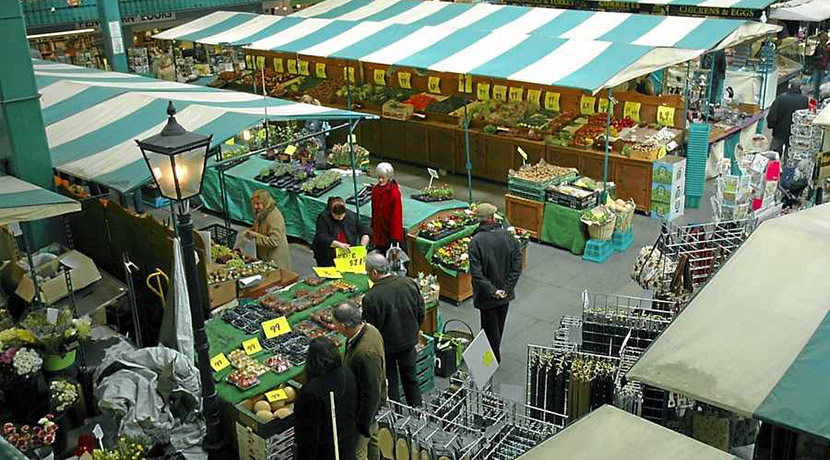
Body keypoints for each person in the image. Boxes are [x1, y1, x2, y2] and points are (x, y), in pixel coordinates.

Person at [362, 252, 424, 406]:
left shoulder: (371, 297)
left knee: (391, 382)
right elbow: (421, 311)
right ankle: (417, 409)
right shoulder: (409, 283)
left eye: (367, 272)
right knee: (411, 377)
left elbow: (371, 328)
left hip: (387, 347)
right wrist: (414, 330)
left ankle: (396, 417)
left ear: (374, 272)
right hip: (409, 341)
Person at [468, 203, 523, 363]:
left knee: (488, 328)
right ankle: (491, 356)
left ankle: (489, 361)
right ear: (493, 217)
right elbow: (517, 266)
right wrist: (506, 289)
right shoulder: (509, 236)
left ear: (480, 220)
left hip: (486, 297)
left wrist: (493, 291)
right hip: (505, 294)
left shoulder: (476, 241)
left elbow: (476, 273)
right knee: (499, 325)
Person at [333, 301, 387, 460]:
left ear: (344, 326)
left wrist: (362, 424)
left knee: (358, 452)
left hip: (362, 412)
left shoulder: (365, 353)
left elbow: (371, 391)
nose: (335, 328)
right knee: (373, 442)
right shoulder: (370, 330)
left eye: (335, 324)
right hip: (371, 409)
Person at [294, 337, 359, 460]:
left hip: (326, 451)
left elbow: (308, 435)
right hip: (348, 441)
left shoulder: (311, 391)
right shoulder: (347, 373)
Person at [313, 196, 371, 267]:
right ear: (331, 212)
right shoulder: (323, 218)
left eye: (342, 215)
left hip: (347, 253)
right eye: (337, 216)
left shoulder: (351, 216)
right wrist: (339, 244)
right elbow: (322, 237)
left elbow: (364, 230)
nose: (340, 218)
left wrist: (362, 246)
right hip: (328, 254)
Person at [245, 189, 291, 270]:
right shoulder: (262, 212)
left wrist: (255, 235)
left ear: (265, 202)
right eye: (254, 203)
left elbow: (274, 241)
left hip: (274, 259)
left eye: (258, 204)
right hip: (265, 255)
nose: (255, 206)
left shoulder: (274, 217)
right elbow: (259, 226)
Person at [767, 79, 809, 161]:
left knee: (773, 156)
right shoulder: (804, 100)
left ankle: (773, 171)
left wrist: (771, 125)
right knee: (790, 157)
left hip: (779, 132)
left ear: (789, 86)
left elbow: (772, 115)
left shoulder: (781, 98)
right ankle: (787, 172)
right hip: (795, 133)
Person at [370, 163, 403, 255]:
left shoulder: (394, 193)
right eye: (379, 177)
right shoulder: (376, 190)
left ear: (388, 177)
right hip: (379, 229)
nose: (380, 180)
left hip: (388, 231)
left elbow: (396, 216)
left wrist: (395, 237)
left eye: (383, 178)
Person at [300, 95, 328, 166]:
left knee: (318, 164)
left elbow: (313, 130)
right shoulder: (309, 114)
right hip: (316, 145)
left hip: (318, 144)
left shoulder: (314, 115)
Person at [812, 31, 829, 101]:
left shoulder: (827, 47)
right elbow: (814, 55)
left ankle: (820, 100)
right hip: (818, 67)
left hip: (825, 69)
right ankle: (816, 100)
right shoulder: (819, 46)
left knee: (821, 87)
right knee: (816, 86)